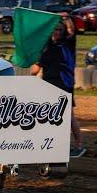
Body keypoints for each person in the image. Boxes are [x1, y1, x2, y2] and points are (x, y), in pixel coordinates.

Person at [30, 12, 85, 158]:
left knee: (68, 115)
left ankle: (79, 145)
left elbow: (72, 31)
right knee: (48, 115)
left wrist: (66, 18)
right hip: (48, 85)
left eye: (61, 30)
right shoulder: (46, 47)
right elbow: (35, 69)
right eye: (56, 29)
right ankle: (50, 144)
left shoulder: (67, 43)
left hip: (64, 83)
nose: (58, 32)